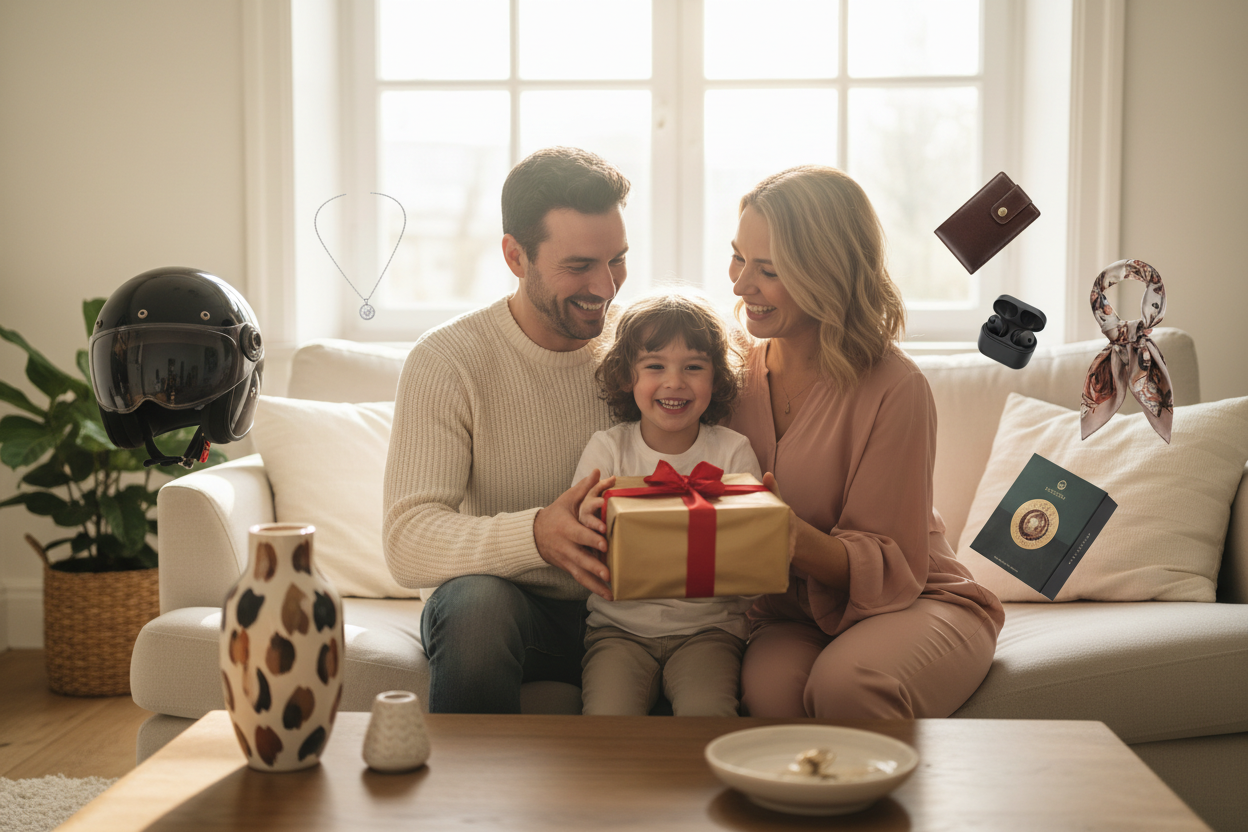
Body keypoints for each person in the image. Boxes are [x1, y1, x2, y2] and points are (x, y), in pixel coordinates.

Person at [724, 165, 1006, 719]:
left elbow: (896, 565)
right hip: (792, 616)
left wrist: (788, 538)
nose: (739, 284)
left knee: (848, 685)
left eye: (768, 270)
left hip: (919, 600)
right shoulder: (727, 372)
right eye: (737, 257)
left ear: (824, 273)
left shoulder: (896, 389)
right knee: (770, 697)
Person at [382, 147, 631, 713]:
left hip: (635, 612)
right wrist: (538, 534)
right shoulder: (448, 360)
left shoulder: (643, 348)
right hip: (515, 613)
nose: (607, 286)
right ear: (515, 257)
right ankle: (469, 800)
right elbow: (407, 540)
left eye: (617, 259)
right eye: (578, 266)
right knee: (475, 606)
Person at [572, 293, 763, 716]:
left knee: (708, 717)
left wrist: (761, 535)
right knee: (606, 719)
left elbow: (753, 573)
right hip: (616, 631)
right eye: (655, 365)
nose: (674, 382)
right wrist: (586, 525)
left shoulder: (733, 452)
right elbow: (578, 546)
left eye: (693, 367)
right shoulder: (608, 450)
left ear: (716, 378)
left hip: (710, 632)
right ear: (627, 377)